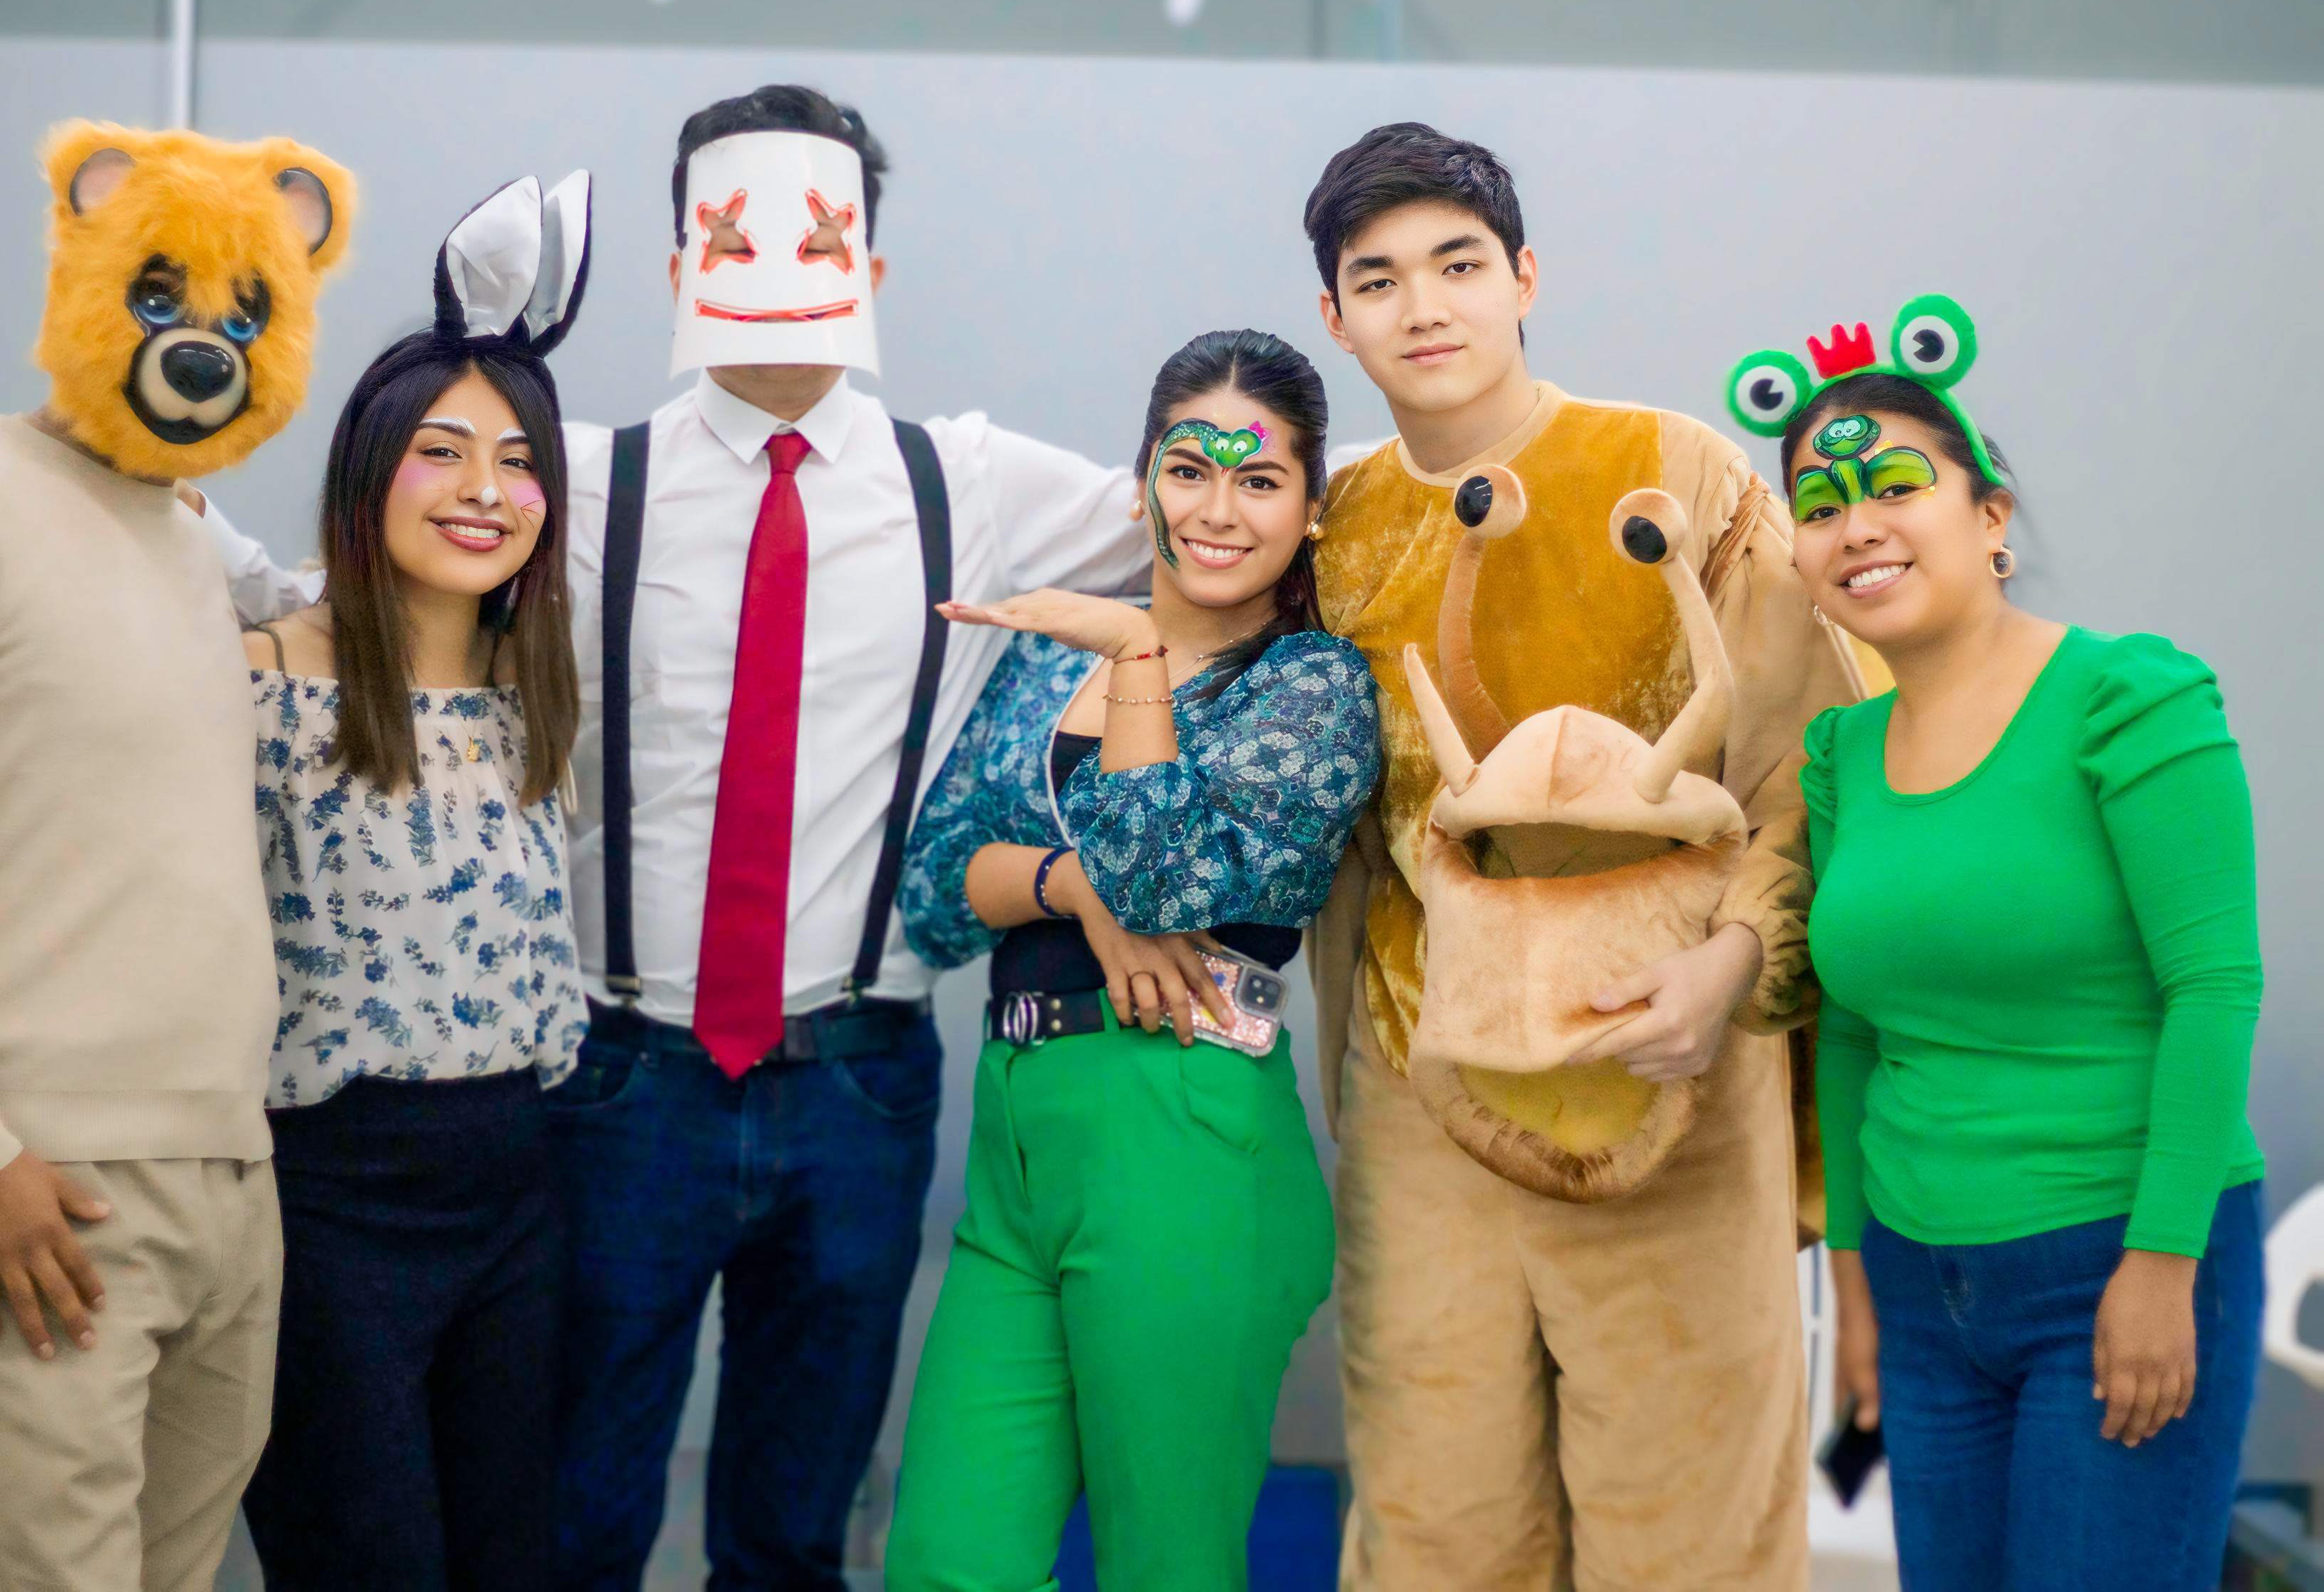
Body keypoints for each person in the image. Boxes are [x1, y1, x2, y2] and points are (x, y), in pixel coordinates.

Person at [538, 84, 1149, 1589]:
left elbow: (1232, 520)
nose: (775, 275)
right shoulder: (580, 483)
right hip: (620, 1081)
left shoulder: (971, 481)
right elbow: (364, 581)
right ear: (681, 268)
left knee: (795, 1530)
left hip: (859, 1082)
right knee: (570, 1517)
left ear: (869, 270)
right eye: (733, 242)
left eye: (817, 244)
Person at [1300, 122, 1863, 1589]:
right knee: (1433, 1528)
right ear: (1335, 317)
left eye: (1458, 264)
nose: (1424, 306)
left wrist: (1735, 968)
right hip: (1425, 1081)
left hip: (1676, 1071)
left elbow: (1817, 770)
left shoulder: (1672, 470)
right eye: (1379, 279)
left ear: (1525, 277)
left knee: (1691, 1532)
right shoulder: (1333, 525)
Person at [0, 122, 353, 1591]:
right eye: (164, 296)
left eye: (243, 315)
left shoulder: (193, 544)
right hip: (36, 1175)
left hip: (232, 1175)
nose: (200, 343)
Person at [1740, 299, 2266, 1590]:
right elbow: (1850, 1031)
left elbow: (2215, 989)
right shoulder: (1841, 754)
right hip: (1919, 1285)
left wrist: (2164, 1263)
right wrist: (1856, 1282)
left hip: (2118, 1257)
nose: (1857, 524)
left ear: (1991, 516)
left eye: (1895, 486)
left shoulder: (2129, 698)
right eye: (1820, 504)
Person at [884, 329, 1380, 1591]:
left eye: (1259, 480)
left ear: (1311, 509)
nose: (1218, 510)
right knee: (948, 1563)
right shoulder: (1042, 659)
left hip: (1184, 1121)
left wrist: (1138, 656)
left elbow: (1168, 880)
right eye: (1189, 470)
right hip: (1015, 1133)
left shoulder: (1313, 689)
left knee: (1168, 1567)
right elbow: (936, 887)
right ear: (1145, 476)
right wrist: (1070, 888)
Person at [235, 175, 593, 1590]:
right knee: (363, 1561)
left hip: (519, 1185)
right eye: (441, 453)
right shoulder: (263, 674)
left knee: (509, 1558)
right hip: (327, 1199)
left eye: (517, 460)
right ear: (367, 468)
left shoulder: (534, 689)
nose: (485, 492)